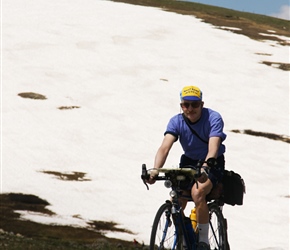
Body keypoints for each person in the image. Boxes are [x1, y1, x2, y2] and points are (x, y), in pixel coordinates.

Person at [147, 86, 226, 250]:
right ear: (181, 105)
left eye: (194, 105)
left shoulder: (213, 118)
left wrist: (205, 168)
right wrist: (155, 170)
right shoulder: (176, 121)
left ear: (201, 104)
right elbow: (164, 148)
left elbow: (213, 148)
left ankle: (203, 241)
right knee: (177, 199)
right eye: (186, 105)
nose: (190, 109)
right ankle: (185, 236)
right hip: (189, 161)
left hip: (212, 162)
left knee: (197, 192)